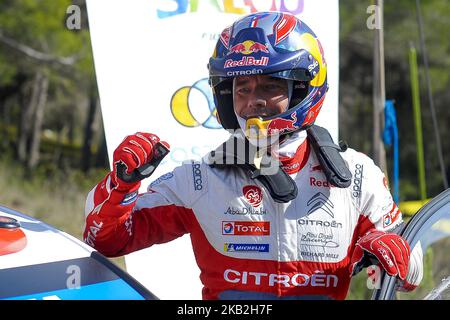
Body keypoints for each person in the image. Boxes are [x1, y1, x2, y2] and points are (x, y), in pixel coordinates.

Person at [83, 11, 422, 299]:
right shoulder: (200, 179)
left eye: (270, 87)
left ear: (304, 89)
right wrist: (122, 183)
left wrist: (394, 253)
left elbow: (412, 273)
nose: (252, 101)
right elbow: (107, 240)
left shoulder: (357, 176)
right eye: (242, 88)